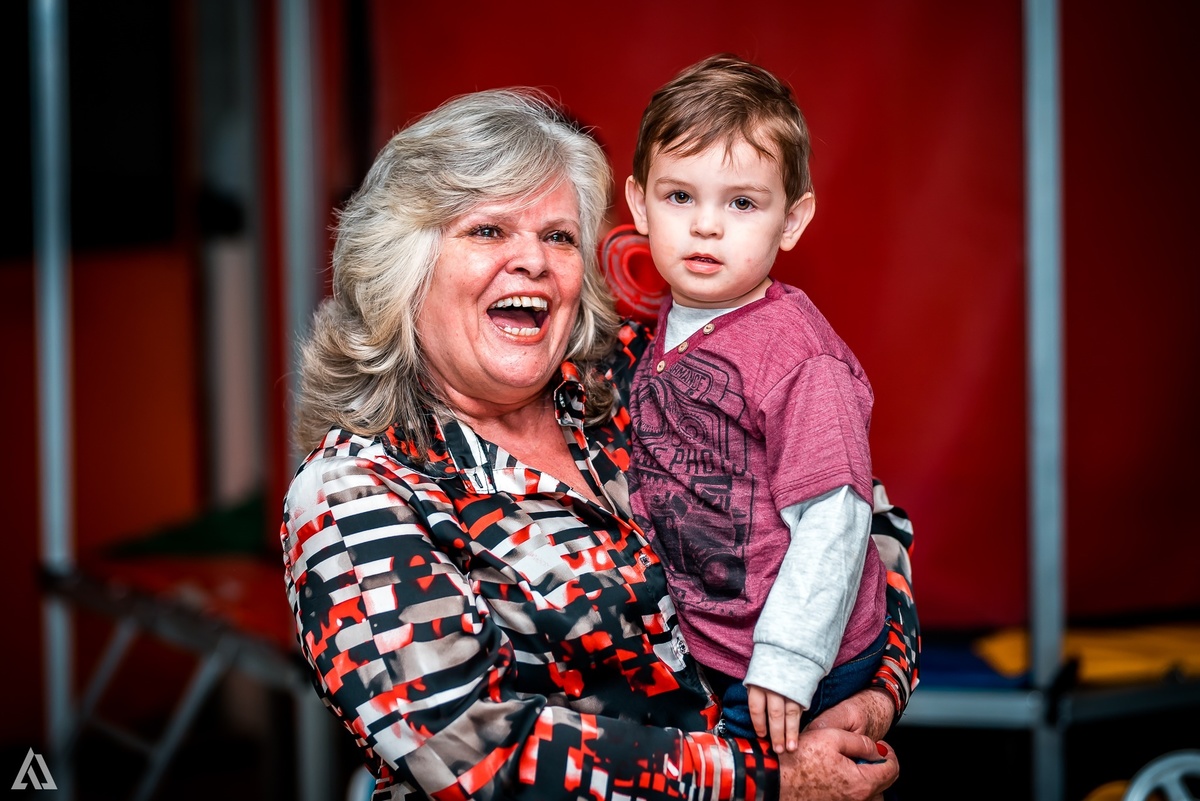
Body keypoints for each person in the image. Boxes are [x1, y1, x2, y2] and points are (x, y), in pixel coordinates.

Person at [280, 86, 919, 801]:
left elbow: (866, 525)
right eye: (488, 230)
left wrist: (872, 696)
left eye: (558, 237)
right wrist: (771, 781)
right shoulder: (354, 490)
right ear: (404, 265)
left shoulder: (642, 372)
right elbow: (473, 754)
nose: (533, 260)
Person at [623, 54, 894, 757]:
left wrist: (787, 659)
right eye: (679, 196)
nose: (706, 226)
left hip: (789, 661)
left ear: (792, 219)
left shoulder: (800, 357)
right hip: (713, 645)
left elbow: (836, 518)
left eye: (741, 203)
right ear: (639, 204)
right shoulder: (667, 322)